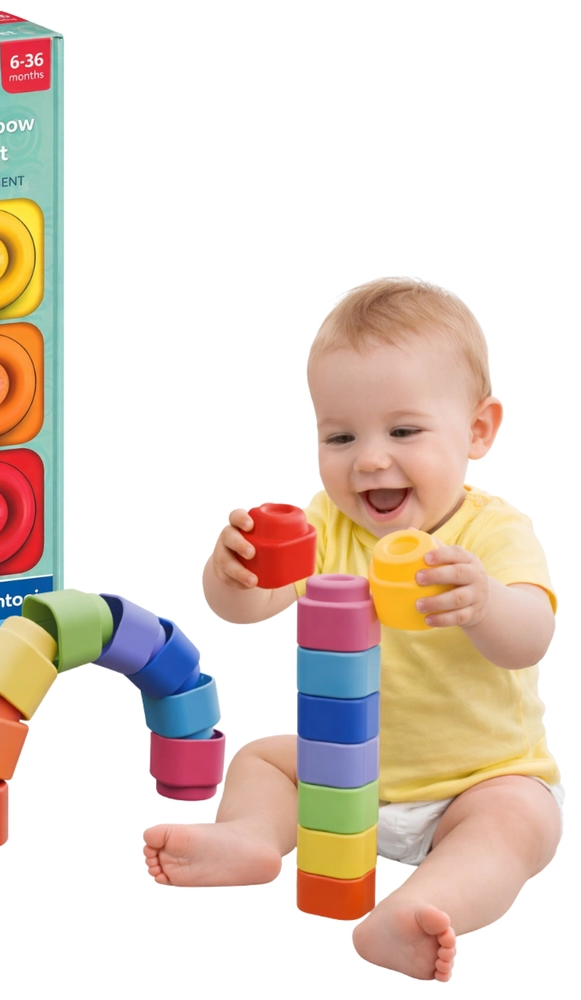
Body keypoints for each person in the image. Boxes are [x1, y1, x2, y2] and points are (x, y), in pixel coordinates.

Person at [143, 278, 563, 982]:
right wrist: (233, 574)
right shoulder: (325, 523)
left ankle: (421, 906)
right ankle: (249, 838)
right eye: (341, 436)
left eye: (404, 431)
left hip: (477, 782)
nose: (368, 459)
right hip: (346, 777)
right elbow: (247, 609)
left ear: (478, 430)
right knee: (262, 759)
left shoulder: (492, 533)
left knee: (521, 822)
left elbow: (533, 635)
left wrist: (486, 602)